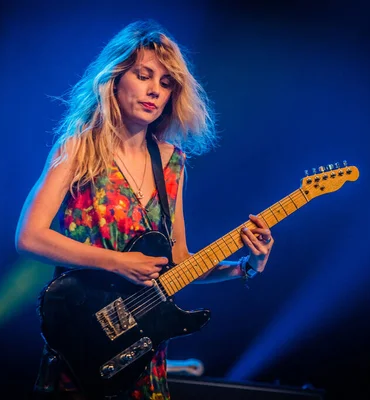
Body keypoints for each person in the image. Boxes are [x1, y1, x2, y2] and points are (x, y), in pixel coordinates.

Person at [15, 19, 274, 400]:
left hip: (144, 354)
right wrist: (116, 262)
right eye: (144, 75)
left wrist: (245, 266)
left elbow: (180, 263)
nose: (155, 90)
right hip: (83, 340)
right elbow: (29, 236)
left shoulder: (172, 164)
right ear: (116, 79)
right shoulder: (77, 150)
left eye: (166, 83)